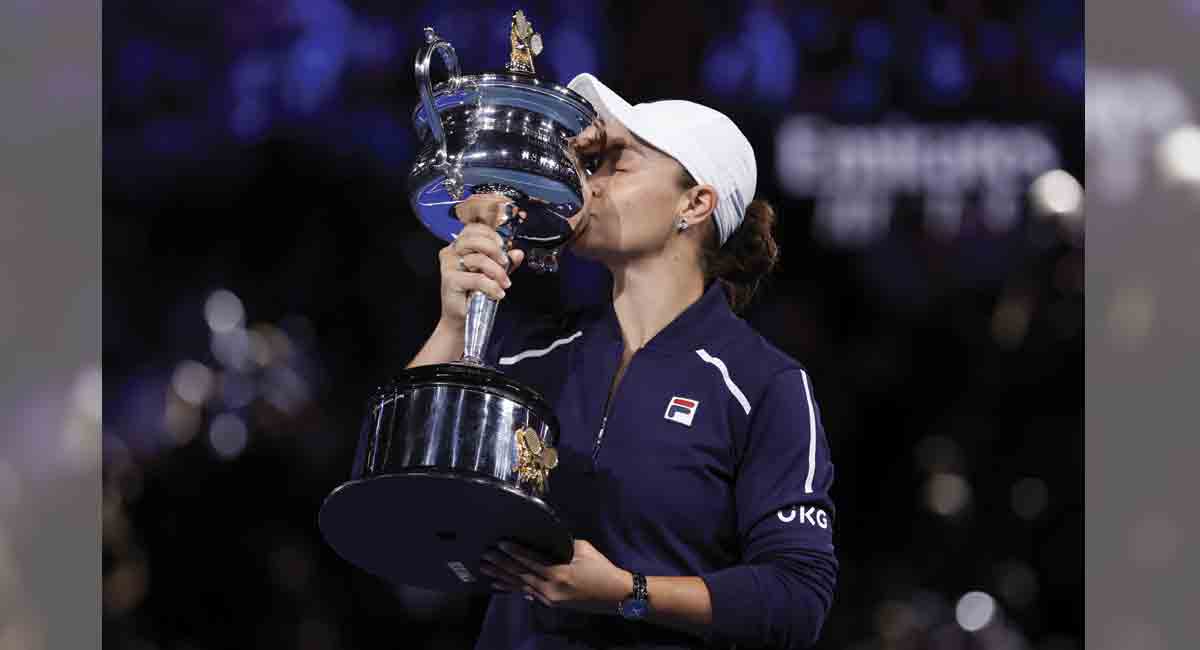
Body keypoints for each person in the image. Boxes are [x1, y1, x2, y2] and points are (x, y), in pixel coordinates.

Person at [406, 73, 837, 650]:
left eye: (617, 165)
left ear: (695, 202)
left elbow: (797, 598)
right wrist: (455, 321)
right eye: (590, 167)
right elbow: (405, 492)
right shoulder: (537, 353)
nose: (588, 187)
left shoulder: (762, 385)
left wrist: (627, 592)